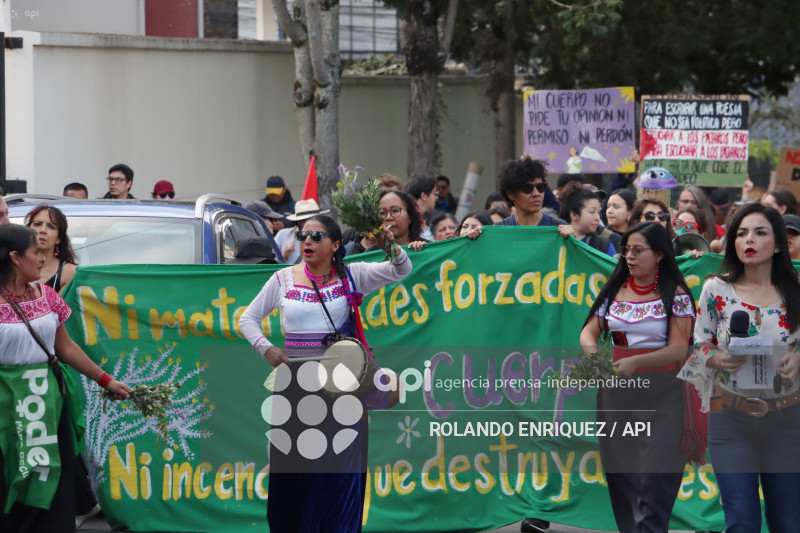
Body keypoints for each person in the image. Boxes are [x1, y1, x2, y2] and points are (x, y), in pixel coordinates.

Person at [238, 215, 411, 533]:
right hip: (294, 389)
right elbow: (248, 319)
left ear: (335, 246)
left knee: (338, 477)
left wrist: (390, 246)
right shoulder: (282, 280)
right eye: (303, 235)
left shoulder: (353, 274)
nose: (307, 241)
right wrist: (268, 349)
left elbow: (402, 270)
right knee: (294, 477)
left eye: (317, 237)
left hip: (341, 388)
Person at [679, 202, 800, 532]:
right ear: (732, 241)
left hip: (789, 421)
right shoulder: (715, 290)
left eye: (761, 233)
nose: (749, 239)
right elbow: (698, 346)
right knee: (742, 520)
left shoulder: (797, 289)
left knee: (788, 522)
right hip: (729, 418)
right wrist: (717, 358)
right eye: (742, 233)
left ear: (776, 244)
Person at [0, 224, 129, 532]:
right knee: (12, 477)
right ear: (16, 258)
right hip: (7, 408)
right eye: (36, 252)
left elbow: (66, 347)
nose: (43, 259)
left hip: (48, 402)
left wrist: (105, 380)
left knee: (52, 474)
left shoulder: (48, 297)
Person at [580, 221, 696, 532]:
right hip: (616, 394)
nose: (629, 257)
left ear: (659, 254)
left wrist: (637, 362)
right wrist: (597, 362)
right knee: (624, 478)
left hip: (664, 394)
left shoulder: (677, 295)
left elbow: (677, 350)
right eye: (626, 250)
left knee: (655, 478)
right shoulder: (614, 291)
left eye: (638, 250)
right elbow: (589, 333)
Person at [496, 157, 566, 228]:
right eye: (528, 188)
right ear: (510, 194)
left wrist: (572, 237)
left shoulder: (559, 228)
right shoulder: (498, 230)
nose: (536, 194)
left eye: (540, 187)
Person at [24, 205, 78, 294]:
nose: (42, 230)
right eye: (37, 224)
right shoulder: (13, 265)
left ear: (59, 238)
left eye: (51, 227)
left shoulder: (68, 272)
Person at [559, 182, 616, 256]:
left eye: (598, 212)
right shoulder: (556, 240)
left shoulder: (604, 245)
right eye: (592, 212)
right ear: (573, 214)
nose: (597, 218)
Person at [274, 199, 329, 264]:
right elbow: (270, 263)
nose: (316, 222)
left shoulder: (324, 235)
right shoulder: (283, 235)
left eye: (317, 218)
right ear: (300, 222)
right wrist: (283, 256)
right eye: (312, 219)